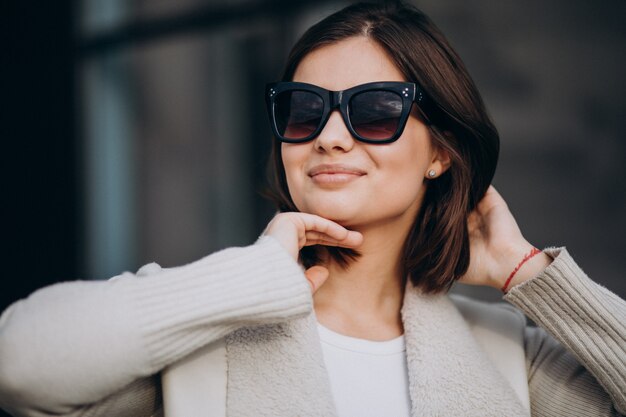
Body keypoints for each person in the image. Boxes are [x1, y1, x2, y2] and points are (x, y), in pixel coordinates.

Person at [0, 2, 624, 416]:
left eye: (375, 109)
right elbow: (19, 364)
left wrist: (530, 275)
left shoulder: (508, 353)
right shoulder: (205, 337)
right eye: (302, 109)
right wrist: (250, 278)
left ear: (441, 151)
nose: (328, 135)